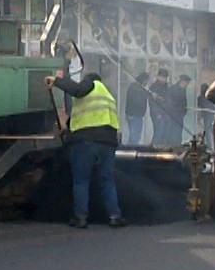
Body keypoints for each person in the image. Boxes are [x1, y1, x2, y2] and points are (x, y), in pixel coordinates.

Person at [46, 67, 125, 228]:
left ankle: (80, 217)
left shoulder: (90, 84)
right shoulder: (108, 96)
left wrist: (57, 81)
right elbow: (86, 116)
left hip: (85, 143)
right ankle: (115, 216)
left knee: (81, 181)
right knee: (107, 180)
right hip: (107, 143)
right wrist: (66, 127)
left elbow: (76, 90)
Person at [148, 67, 177, 145]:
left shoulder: (166, 87)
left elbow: (168, 99)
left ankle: (162, 149)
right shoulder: (154, 87)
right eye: (162, 77)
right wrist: (157, 114)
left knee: (166, 134)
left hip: (166, 113)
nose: (164, 79)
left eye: (165, 77)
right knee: (158, 133)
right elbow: (152, 103)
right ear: (158, 76)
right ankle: (153, 149)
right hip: (158, 114)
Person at [122, 76, 150, 145]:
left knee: (133, 135)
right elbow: (138, 101)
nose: (146, 83)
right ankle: (130, 150)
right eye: (146, 81)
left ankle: (130, 149)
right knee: (135, 136)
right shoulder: (136, 88)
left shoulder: (133, 87)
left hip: (132, 114)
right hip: (135, 115)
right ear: (143, 80)